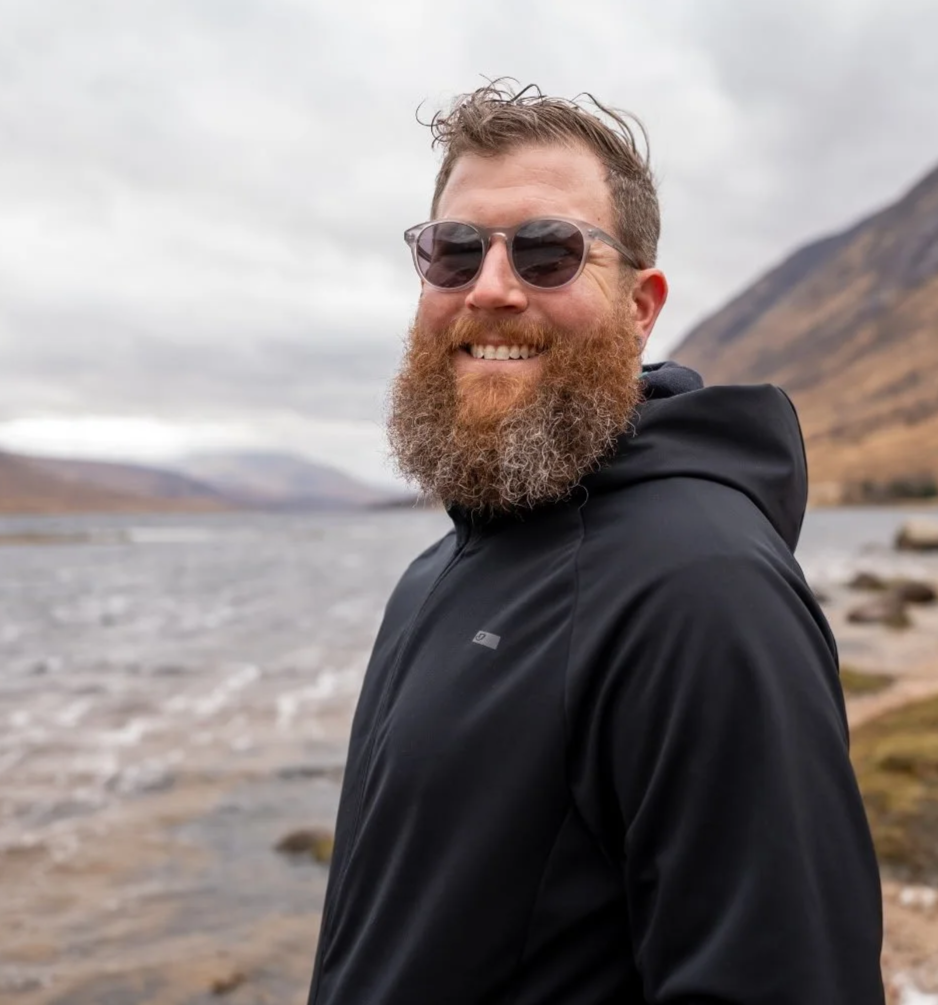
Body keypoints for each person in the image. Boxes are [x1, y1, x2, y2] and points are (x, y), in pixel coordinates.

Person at [305, 81, 884, 1005]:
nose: (490, 288)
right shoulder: (436, 574)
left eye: (547, 253)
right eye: (454, 253)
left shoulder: (705, 592)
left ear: (641, 307)